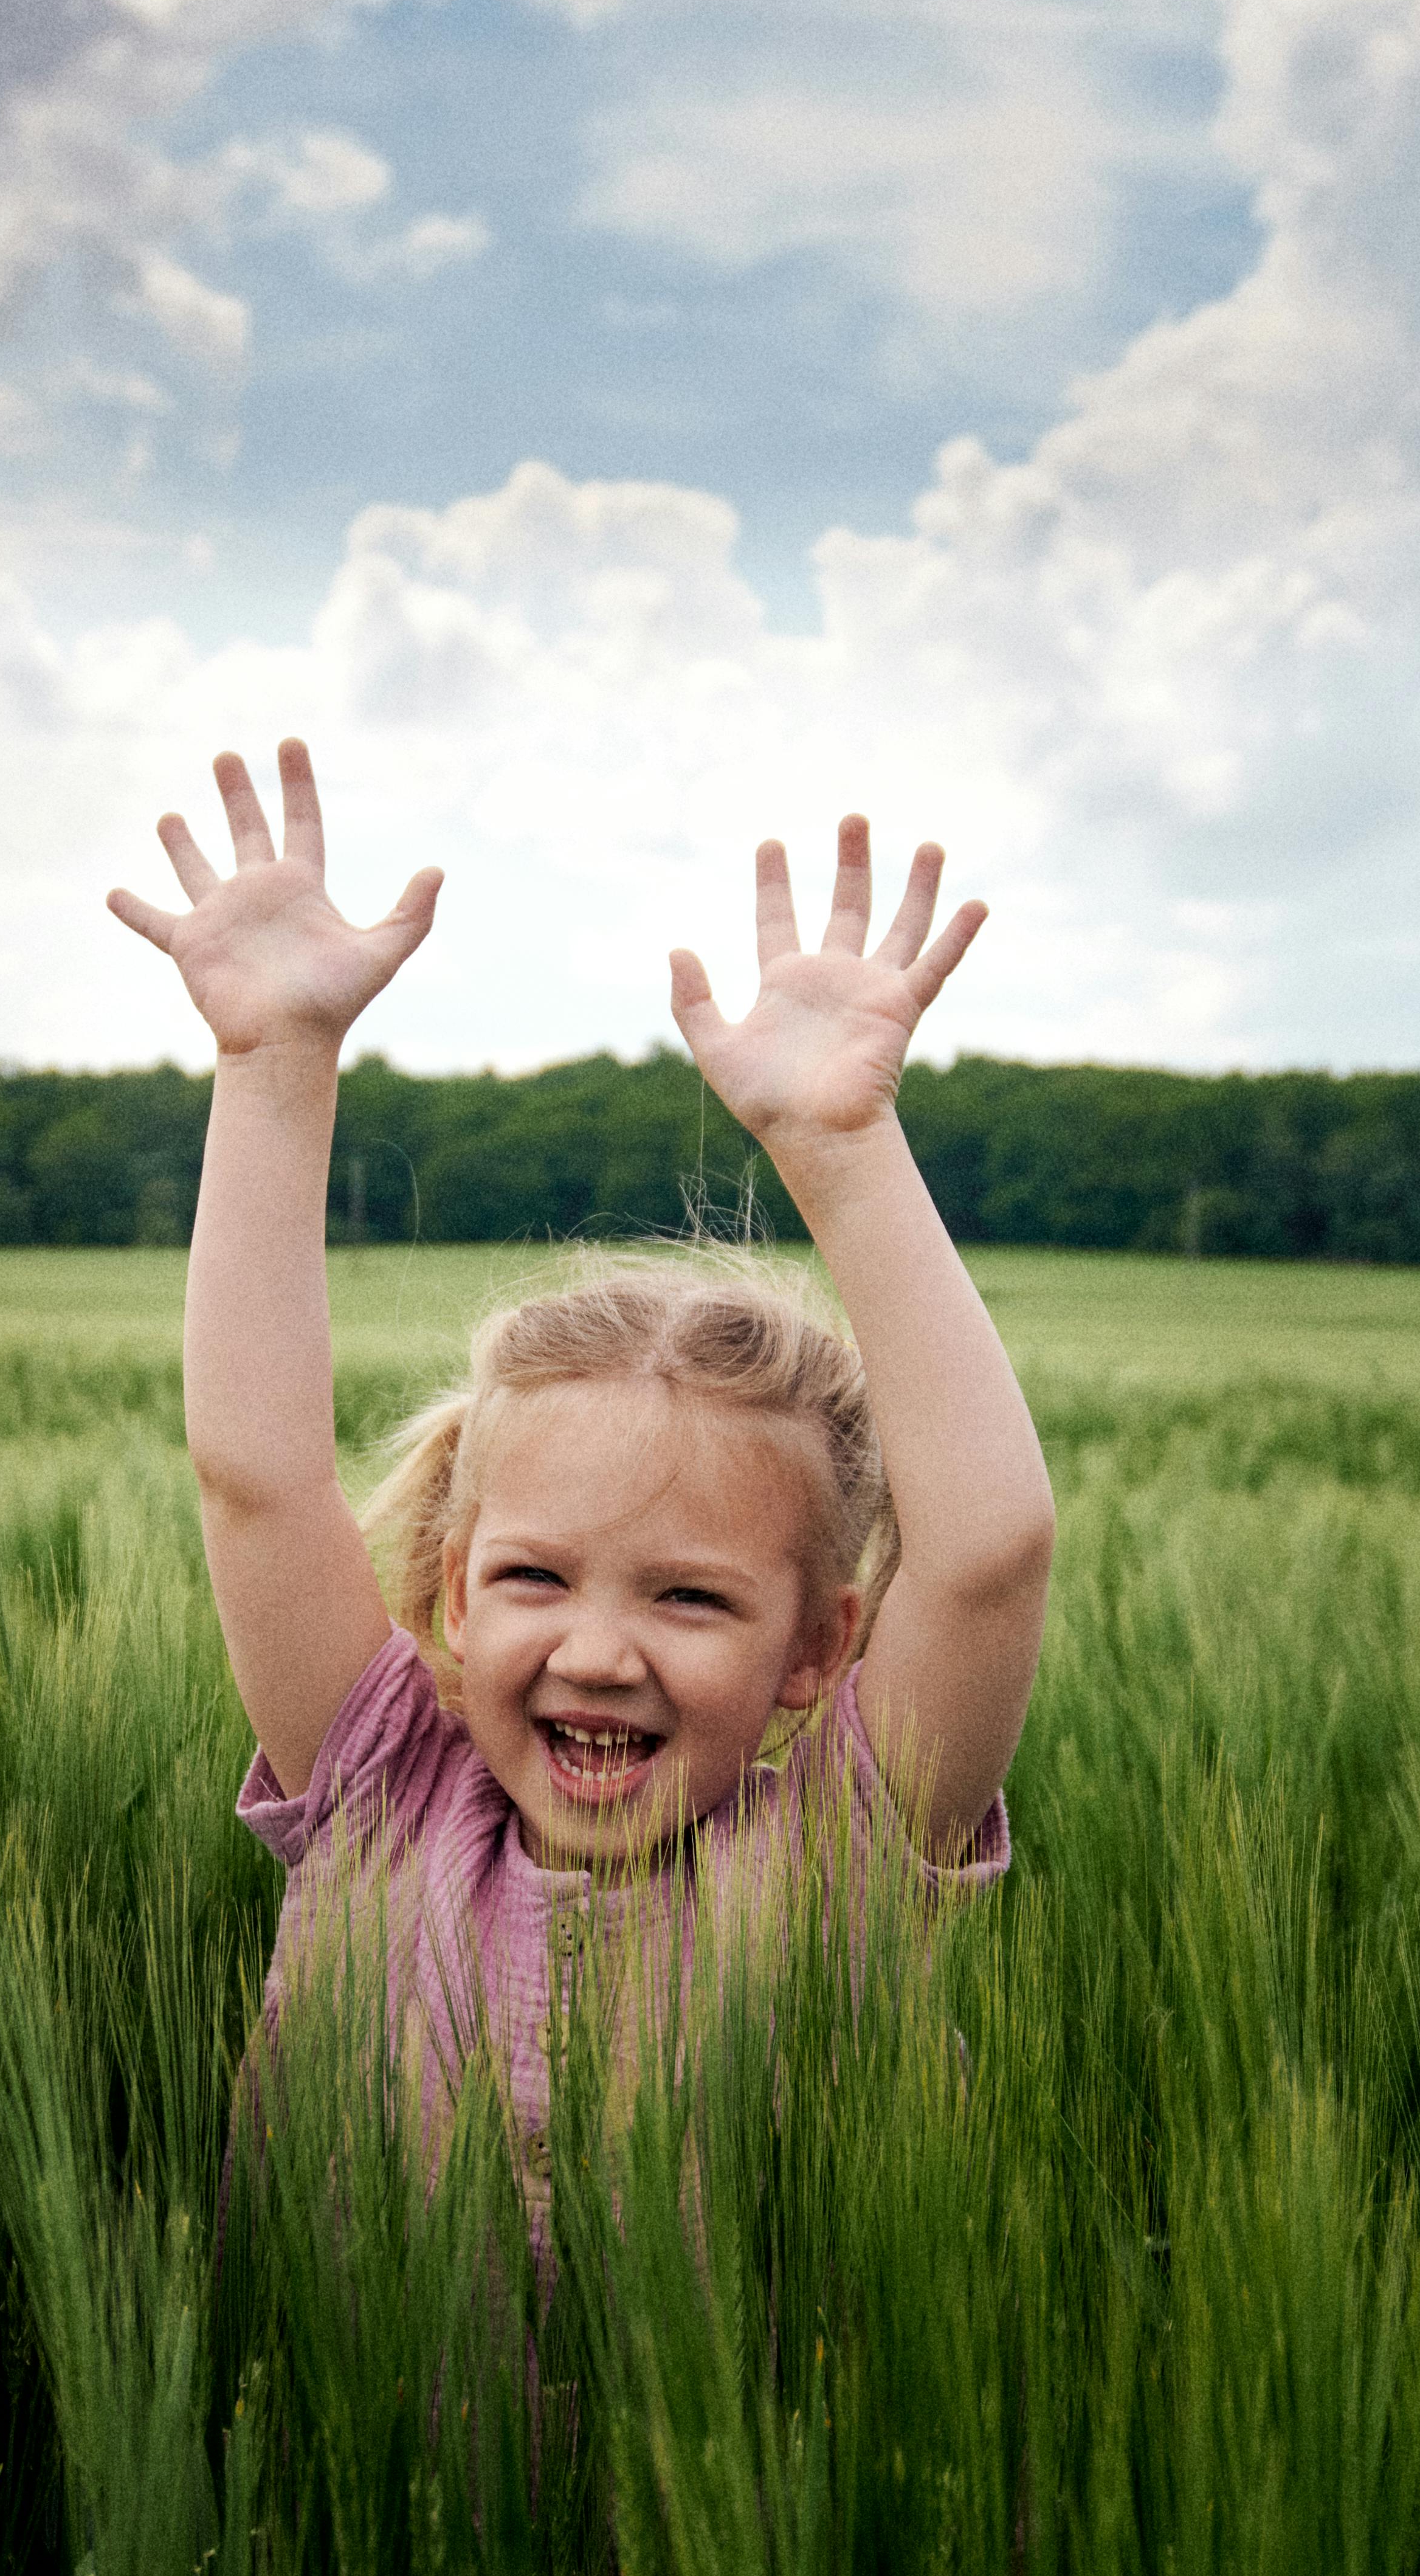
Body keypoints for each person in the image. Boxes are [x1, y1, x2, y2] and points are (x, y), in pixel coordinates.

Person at [109, 738, 1055, 2198]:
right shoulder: (380, 1800)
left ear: (817, 1648)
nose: (597, 1651)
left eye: (688, 1598)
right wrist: (275, 1066)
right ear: (450, 1593)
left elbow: (986, 1557)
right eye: (535, 1576)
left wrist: (840, 1152)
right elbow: (258, 1476)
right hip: (347, 2438)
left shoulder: (839, 1867)